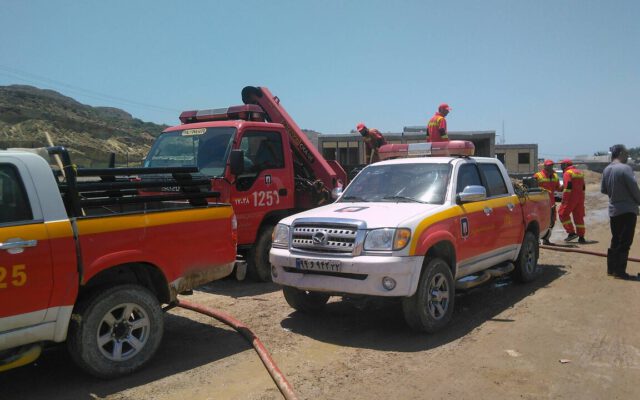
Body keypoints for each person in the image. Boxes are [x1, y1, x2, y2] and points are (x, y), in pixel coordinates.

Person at [600, 144, 640, 280]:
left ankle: (611, 269)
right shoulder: (625, 168)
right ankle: (620, 271)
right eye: (626, 154)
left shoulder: (607, 169)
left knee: (615, 239)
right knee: (625, 241)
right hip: (628, 210)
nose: (627, 156)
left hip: (614, 210)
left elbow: (603, 190)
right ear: (621, 153)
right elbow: (634, 188)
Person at [557, 159, 586, 243]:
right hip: (580, 198)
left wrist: (564, 200)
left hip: (571, 198)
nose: (561, 167)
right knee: (579, 217)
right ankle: (581, 237)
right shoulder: (580, 172)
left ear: (566, 165)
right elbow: (583, 187)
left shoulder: (567, 173)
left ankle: (571, 233)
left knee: (562, 213)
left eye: (562, 165)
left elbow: (568, 187)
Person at [534, 160, 561, 245]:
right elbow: (532, 188)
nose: (550, 167)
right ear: (545, 166)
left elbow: (558, 188)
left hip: (551, 203)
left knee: (551, 221)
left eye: (551, 165)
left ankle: (546, 239)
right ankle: (537, 239)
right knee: (539, 221)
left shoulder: (555, 176)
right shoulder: (538, 175)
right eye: (548, 166)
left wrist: (566, 186)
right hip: (540, 204)